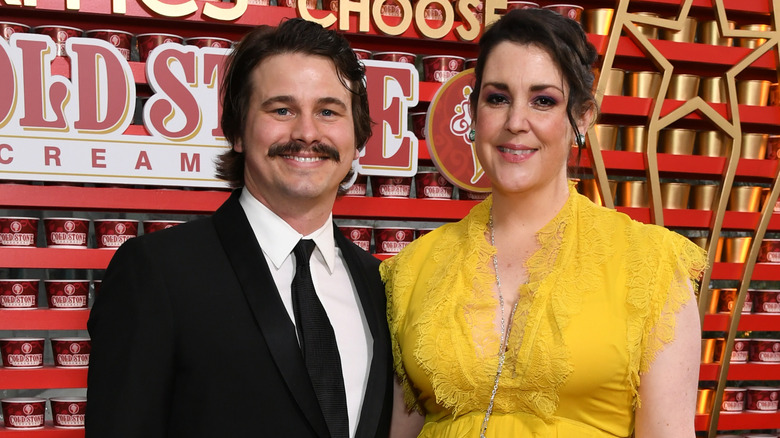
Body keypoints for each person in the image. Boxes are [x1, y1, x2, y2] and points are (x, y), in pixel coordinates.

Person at [381, 8, 707, 438]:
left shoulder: (651, 266)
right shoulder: (412, 270)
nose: (516, 122)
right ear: (473, 115)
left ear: (583, 118)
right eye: (497, 98)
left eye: (543, 100)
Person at [86, 18, 393, 438]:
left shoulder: (380, 284)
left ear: (357, 138)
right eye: (281, 109)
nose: (306, 132)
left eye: (328, 111)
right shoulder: (157, 274)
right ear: (237, 131)